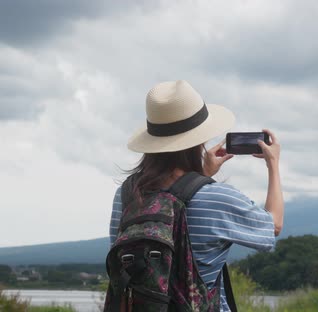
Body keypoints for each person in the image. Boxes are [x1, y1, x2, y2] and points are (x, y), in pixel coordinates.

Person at [108, 80, 284, 311]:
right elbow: (273, 226)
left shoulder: (128, 194)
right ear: (198, 140)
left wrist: (200, 175)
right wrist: (273, 164)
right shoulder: (217, 198)